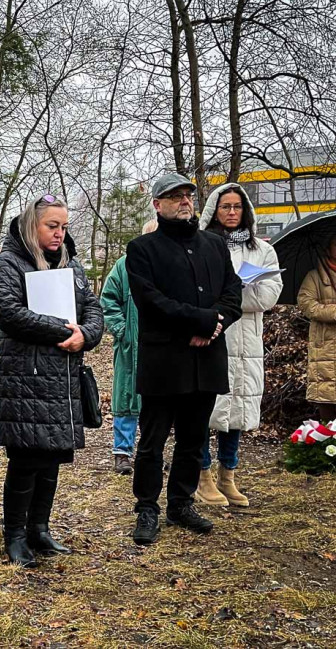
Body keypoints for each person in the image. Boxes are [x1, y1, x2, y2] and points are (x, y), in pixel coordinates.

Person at [126, 173, 242, 546]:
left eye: (188, 195)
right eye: (174, 197)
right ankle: (147, 507)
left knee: (193, 439)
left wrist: (214, 326)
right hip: (164, 359)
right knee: (153, 440)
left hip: (206, 356)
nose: (184, 201)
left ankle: (181, 503)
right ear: (157, 205)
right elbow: (151, 301)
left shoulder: (213, 245)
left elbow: (232, 294)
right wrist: (203, 319)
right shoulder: (142, 248)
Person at [0, 194, 104, 568]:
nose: (59, 233)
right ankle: (15, 536)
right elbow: (7, 312)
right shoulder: (9, 262)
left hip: (63, 378)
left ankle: (39, 528)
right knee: (26, 456)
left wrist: (85, 334)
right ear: (31, 226)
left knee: (52, 455)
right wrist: (62, 329)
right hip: (25, 377)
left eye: (64, 226)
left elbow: (94, 309)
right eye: (51, 226)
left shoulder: (73, 266)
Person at [196, 182, 282, 508]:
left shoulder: (263, 249)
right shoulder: (204, 244)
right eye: (225, 207)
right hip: (215, 335)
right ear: (214, 211)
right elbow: (202, 291)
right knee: (209, 410)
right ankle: (202, 478)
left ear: (245, 210)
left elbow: (269, 294)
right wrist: (233, 293)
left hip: (248, 343)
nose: (232, 213)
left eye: (237, 207)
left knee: (239, 411)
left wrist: (234, 293)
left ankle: (227, 476)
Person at [101, 220, 158, 475]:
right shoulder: (124, 266)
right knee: (126, 397)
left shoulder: (169, 267)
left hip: (160, 346)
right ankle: (122, 453)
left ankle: (151, 451)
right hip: (130, 346)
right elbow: (108, 300)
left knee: (156, 402)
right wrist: (122, 330)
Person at [297, 234, 336, 423]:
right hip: (326, 351)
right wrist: (334, 312)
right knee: (328, 406)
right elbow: (306, 304)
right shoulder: (314, 277)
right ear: (328, 249)